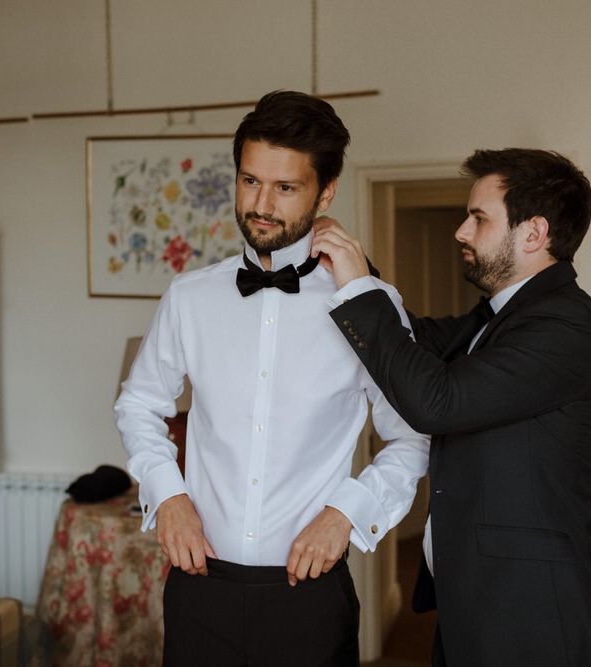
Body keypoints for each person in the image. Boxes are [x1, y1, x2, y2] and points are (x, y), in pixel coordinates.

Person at [115, 90, 429, 667]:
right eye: (250, 181)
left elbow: (411, 437)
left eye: (285, 188)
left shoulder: (369, 305)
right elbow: (137, 405)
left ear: (325, 191)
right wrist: (169, 495)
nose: (261, 204)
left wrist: (347, 513)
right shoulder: (190, 297)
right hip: (198, 587)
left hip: (308, 599)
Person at [313, 148, 591, 667]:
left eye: (479, 218)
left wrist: (355, 284)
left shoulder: (567, 327)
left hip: (529, 614)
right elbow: (409, 336)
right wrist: (349, 261)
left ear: (534, 233)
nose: (462, 231)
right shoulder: (496, 317)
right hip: (478, 600)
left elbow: (436, 403)